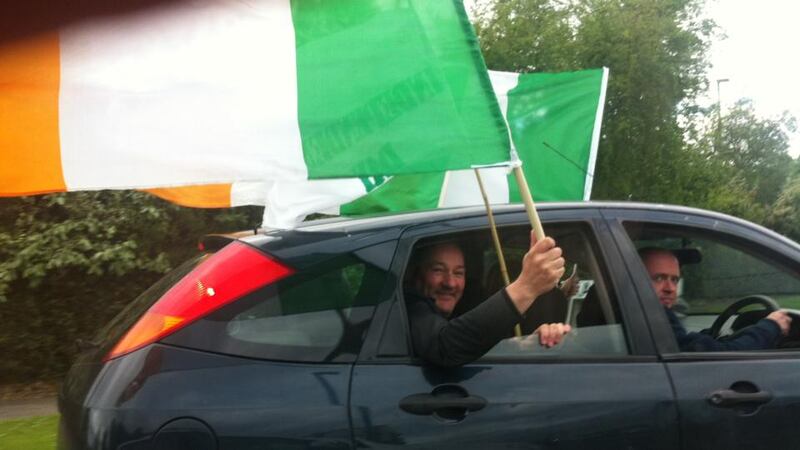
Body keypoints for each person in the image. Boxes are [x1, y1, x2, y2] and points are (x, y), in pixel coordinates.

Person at [406, 232, 572, 367]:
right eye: (438, 270)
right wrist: (526, 286)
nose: (450, 283)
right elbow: (445, 346)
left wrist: (526, 345)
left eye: (458, 273)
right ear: (416, 275)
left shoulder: (463, 310)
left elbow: (472, 342)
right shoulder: (411, 309)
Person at [640, 247, 791, 351]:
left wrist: (709, 337)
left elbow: (687, 346)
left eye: (674, 280)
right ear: (634, 279)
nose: (670, 288)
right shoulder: (650, 318)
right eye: (659, 278)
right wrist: (770, 327)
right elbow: (727, 357)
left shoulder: (643, 320)